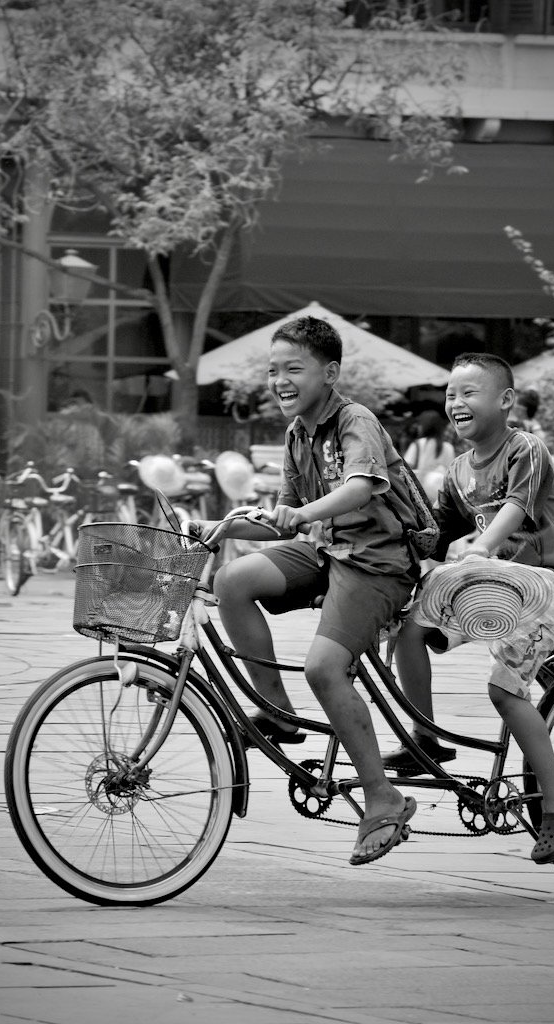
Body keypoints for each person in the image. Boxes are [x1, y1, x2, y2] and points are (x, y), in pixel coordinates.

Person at [202, 315, 422, 867]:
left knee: (325, 668)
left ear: (329, 372)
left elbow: (361, 486)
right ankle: (276, 710)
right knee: (234, 579)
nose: (279, 380)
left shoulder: (356, 421)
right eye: (272, 370)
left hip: (378, 562)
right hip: (328, 552)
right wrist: (224, 527)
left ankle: (383, 800)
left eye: (292, 369)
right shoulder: (297, 433)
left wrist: (299, 513)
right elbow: (287, 520)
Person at [389, 352, 554, 864]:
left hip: (546, 590)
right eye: (450, 394)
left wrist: (482, 547)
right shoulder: (456, 471)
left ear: (505, 401)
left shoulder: (526, 449)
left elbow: (516, 506)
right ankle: (425, 737)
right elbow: (437, 536)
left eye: (469, 392)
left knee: (506, 688)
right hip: (491, 590)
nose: (456, 402)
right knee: (408, 628)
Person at [404, 409, 456, 496]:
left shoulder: (418, 444)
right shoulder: (448, 447)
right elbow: (451, 474)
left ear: (423, 426)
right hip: (440, 493)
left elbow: (406, 469)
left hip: (421, 492)